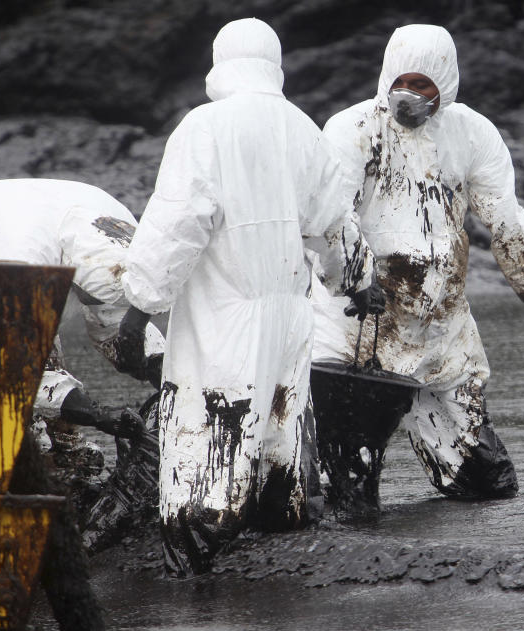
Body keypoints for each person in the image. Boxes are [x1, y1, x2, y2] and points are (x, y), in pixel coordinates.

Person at [118, 18, 378, 576]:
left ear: (220, 61)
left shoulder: (204, 127)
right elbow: (333, 225)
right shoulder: (302, 128)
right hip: (289, 312)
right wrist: (357, 281)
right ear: (274, 61)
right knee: (278, 433)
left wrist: (139, 308)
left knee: (209, 438)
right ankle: (276, 561)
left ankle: (199, 569)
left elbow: (176, 226)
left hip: (224, 314)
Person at [311, 24, 524, 501]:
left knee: (488, 485)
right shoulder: (351, 130)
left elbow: (506, 220)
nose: (409, 95)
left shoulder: (471, 132)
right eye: (401, 82)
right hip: (357, 330)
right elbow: (329, 215)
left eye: (423, 85)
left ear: (445, 84)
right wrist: (356, 277)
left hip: (442, 333)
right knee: (351, 491)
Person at [0, 177, 167, 631]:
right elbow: (19, 377)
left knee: (50, 437)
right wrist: (98, 415)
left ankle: (55, 479)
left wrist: (165, 371)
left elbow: (113, 322)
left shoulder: (102, 232)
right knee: (2, 432)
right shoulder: (28, 260)